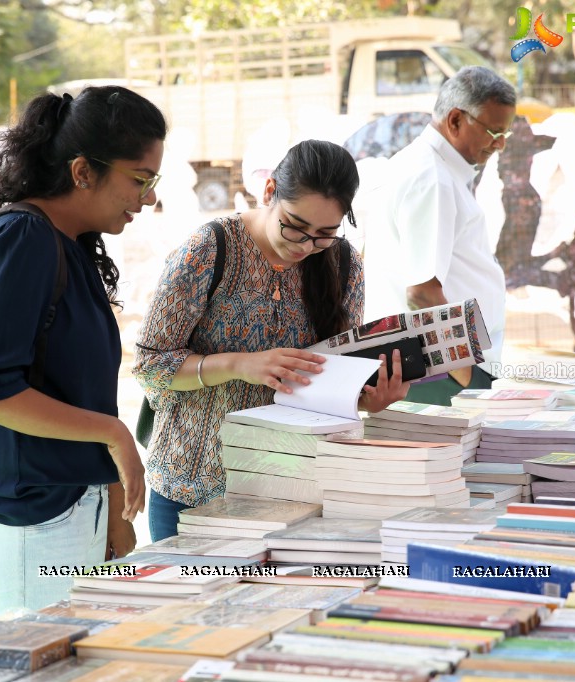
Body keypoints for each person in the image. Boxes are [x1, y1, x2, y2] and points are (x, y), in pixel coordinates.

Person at [134, 139, 409, 541]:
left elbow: (327, 374)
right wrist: (238, 364)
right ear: (268, 193)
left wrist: (366, 400)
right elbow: (150, 365)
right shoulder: (211, 249)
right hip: (192, 489)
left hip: (294, 491)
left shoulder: (343, 263)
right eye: (294, 226)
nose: (305, 245)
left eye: (323, 234)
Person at [0, 86, 160, 614]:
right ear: (82, 171)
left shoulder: (70, 243)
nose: (150, 197)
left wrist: (113, 502)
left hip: (71, 507)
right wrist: (115, 438)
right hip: (29, 518)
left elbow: (85, 392)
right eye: (140, 179)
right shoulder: (23, 239)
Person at [362, 66, 515, 406]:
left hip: (439, 367)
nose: (501, 144)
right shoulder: (432, 179)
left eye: (506, 134)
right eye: (493, 131)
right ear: (456, 120)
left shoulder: (430, 168)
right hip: (441, 373)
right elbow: (423, 291)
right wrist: (466, 374)